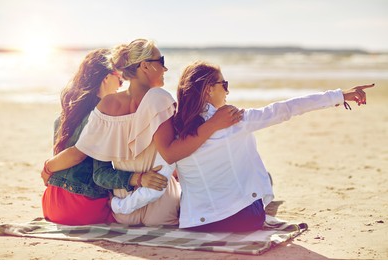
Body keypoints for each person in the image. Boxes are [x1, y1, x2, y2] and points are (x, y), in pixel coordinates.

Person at [43, 40, 243, 226]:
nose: (165, 68)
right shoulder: (159, 98)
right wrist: (214, 123)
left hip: (122, 211)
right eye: (161, 61)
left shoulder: (104, 106)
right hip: (158, 205)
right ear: (145, 66)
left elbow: (99, 174)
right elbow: (173, 154)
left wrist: (136, 179)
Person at [171, 61, 373, 232]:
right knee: (265, 178)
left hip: (195, 223)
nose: (227, 89)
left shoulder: (176, 126)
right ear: (208, 89)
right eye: (224, 83)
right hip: (240, 220)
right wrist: (339, 96)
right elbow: (285, 109)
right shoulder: (235, 120)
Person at [41, 48, 169, 226]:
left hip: (51, 204)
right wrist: (137, 178)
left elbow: (68, 159)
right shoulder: (102, 118)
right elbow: (98, 172)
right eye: (119, 78)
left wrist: (48, 167)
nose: (121, 85)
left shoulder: (66, 116)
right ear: (106, 78)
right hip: (82, 208)